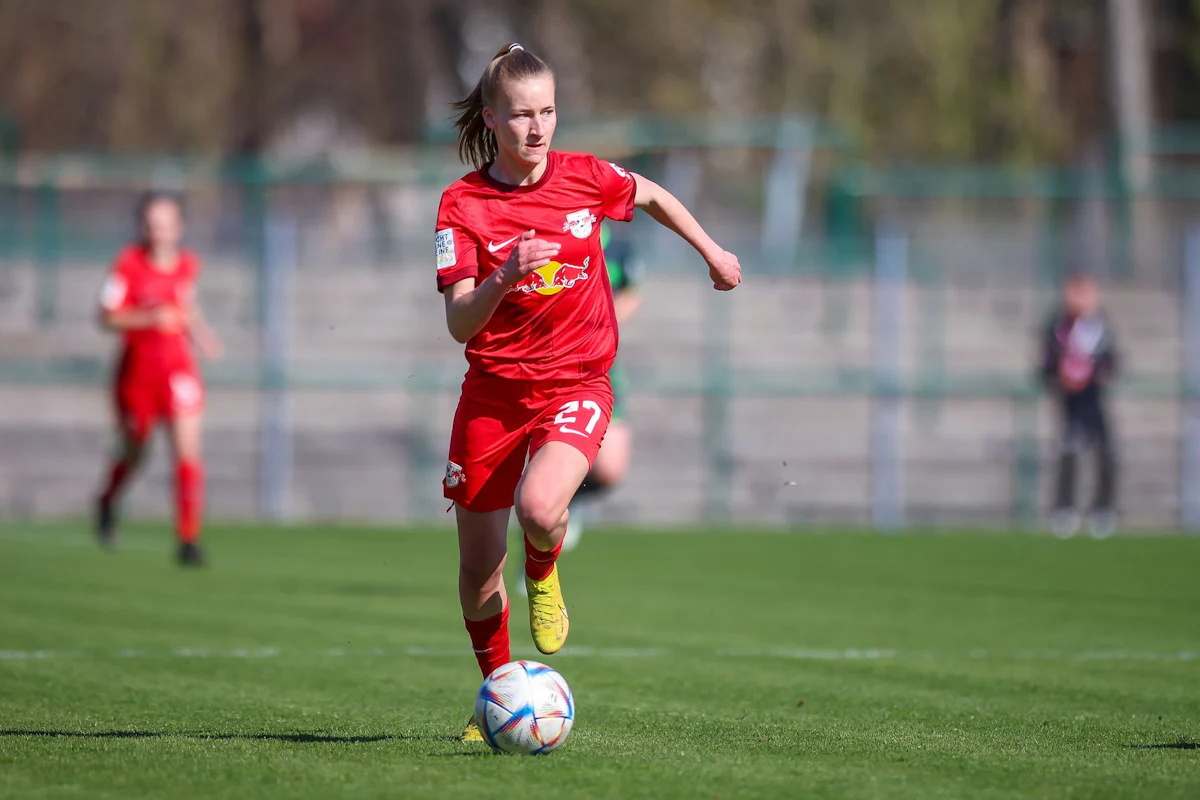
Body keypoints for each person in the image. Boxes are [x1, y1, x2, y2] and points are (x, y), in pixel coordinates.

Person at [436, 43, 741, 742]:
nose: (537, 127)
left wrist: (713, 253)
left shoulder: (584, 178)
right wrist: (502, 277)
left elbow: (655, 195)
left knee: (540, 507)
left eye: (547, 111)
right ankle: (498, 694)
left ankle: (543, 571)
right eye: (520, 115)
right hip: (492, 396)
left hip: (577, 381)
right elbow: (459, 321)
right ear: (491, 119)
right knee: (478, 571)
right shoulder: (463, 206)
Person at [94, 193, 223, 565]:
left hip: (178, 369)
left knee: (187, 449)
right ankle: (107, 501)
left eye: (165, 224)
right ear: (142, 228)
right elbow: (106, 317)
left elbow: (187, 305)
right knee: (136, 450)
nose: (159, 232)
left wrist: (203, 336)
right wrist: (149, 318)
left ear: (178, 227)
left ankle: (188, 539)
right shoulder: (128, 265)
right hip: (137, 374)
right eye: (152, 224)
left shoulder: (187, 265)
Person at [1040, 272, 1119, 538]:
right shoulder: (1057, 327)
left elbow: (1112, 362)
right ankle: (1064, 509)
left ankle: (1103, 509)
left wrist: (1098, 374)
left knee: (1105, 451)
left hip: (1093, 399)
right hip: (1070, 401)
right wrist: (1061, 378)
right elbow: (1045, 365)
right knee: (1068, 451)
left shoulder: (1101, 326)